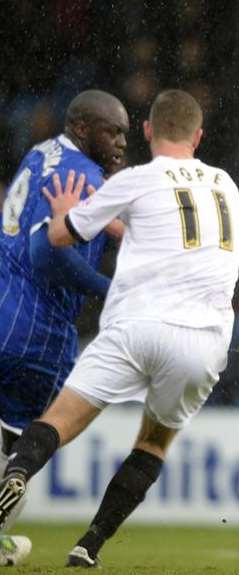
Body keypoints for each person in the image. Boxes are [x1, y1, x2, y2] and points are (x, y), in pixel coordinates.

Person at [0, 89, 239, 569]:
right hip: (204, 340)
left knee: (54, 423)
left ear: (150, 131)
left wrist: (67, 213)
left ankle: (18, 474)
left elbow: (57, 238)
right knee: (153, 443)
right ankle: (89, 544)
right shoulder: (227, 186)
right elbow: (174, 224)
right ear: (199, 136)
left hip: (133, 326)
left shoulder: (125, 178)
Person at [0, 89, 128, 566]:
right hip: (36, 328)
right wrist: (109, 287)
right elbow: (46, 251)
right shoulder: (83, 175)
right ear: (81, 128)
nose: (120, 143)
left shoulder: (42, 152)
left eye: (124, 134)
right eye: (111, 131)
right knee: (19, 455)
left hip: (4, 301)